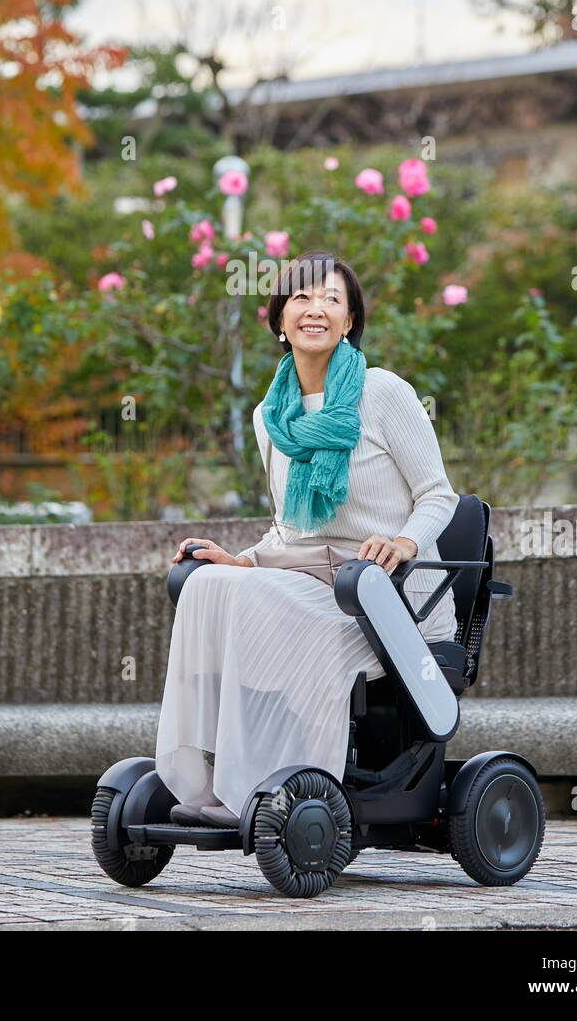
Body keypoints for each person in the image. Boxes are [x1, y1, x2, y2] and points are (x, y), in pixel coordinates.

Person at [154, 250, 460, 828]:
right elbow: (290, 529)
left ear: (349, 322)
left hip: (388, 599)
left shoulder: (384, 393)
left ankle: (287, 792)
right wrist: (241, 560)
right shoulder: (269, 416)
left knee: (293, 619)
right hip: (311, 580)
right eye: (301, 297)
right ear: (278, 319)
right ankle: (218, 778)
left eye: (331, 300)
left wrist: (403, 543)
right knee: (208, 586)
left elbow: (438, 496)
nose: (315, 309)